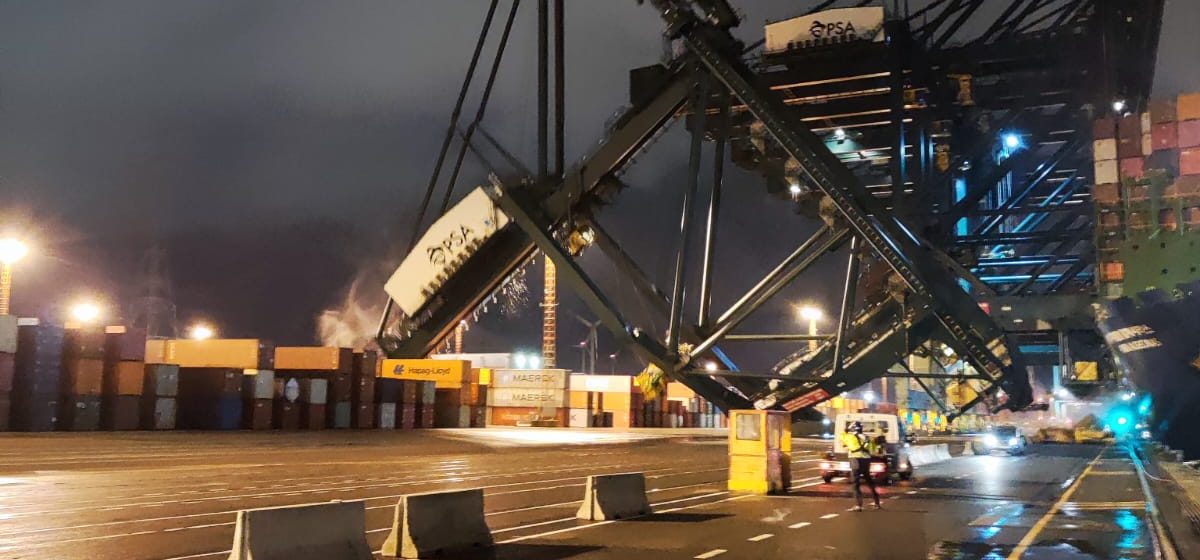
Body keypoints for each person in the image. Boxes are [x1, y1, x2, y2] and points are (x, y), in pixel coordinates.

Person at [840, 421, 881, 511]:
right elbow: (873, 450)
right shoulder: (867, 438)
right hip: (866, 461)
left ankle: (858, 505)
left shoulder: (849, 437)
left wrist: (846, 430)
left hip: (855, 460)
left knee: (856, 483)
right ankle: (877, 503)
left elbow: (842, 436)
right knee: (869, 482)